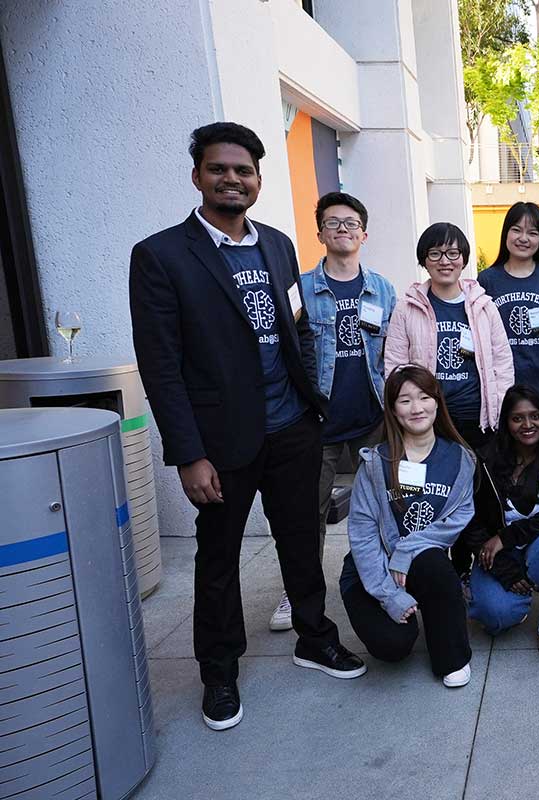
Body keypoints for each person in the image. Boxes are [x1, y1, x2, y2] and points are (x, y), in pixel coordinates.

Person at [129, 122, 364, 732]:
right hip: (221, 441)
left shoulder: (278, 246)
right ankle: (219, 671)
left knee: (300, 539)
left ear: (258, 180)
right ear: (197, 176)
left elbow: (295, 326)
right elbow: (161, 366)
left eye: (244, 171)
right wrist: (188, 454)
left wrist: (313, 403)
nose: (232, 179)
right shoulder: (161, 256)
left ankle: (314, 637)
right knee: (219, 558)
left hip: (291, 426)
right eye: (219, 169)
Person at [287, 192, 396, 634]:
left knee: (386, 506)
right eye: (333, 224)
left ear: (364, 234)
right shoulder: (301, 290)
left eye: (351, 224)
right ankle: (300, 591)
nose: (343, 230)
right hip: (318, 424)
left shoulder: (383, 288)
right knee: (307, 512)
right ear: (319, 234)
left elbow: (394, 352)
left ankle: (384, 575)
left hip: (371, 420)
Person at [341, 365, 476, 687]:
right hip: (372, 567)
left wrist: (405, 550)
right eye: (404, 400)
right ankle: (407, 607)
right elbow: (363, 534)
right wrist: (388, 595)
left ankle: (452, 657)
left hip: (421, 562)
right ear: (392, 409)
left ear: (437, 402)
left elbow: (457, 519)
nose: (416, 408)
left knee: (435, 565)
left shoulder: (460, 459)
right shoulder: (376, 462)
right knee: (393, 645)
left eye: (424, 397)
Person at [461, 385, 539, 653]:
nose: (528, 425)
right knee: (494, 616)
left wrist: (507, 537)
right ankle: (513, 594)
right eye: (517, 418)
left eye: (535, 416)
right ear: (506, 422)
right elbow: (470, 521)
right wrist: (505, 569)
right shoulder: (487, 458)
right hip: (501, 554)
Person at [384, 222, 514, 450]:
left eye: (453, 253)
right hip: (427, 416)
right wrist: (405, 410)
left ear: (463, 259)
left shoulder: (484, 306)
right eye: (435, 254)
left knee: (479, 479)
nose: (445, 261)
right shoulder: (406, 308)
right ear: (424, 260)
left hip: (476, 416)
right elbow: (395, 366)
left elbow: (502, 363)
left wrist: (500, 409)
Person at [478, 202, 539, 424]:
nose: (524, 238)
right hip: (504, 390)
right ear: (506, 233)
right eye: (516, 230)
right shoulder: (487, 280)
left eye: (532, 233)